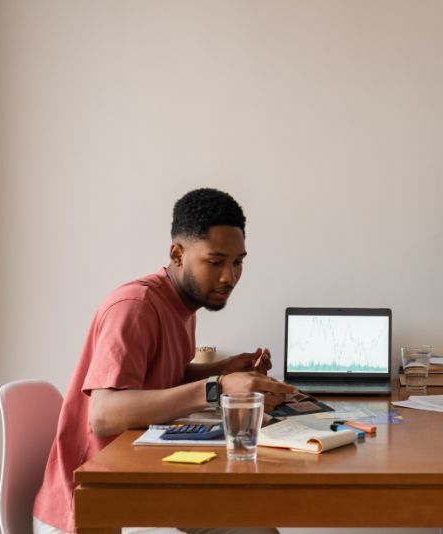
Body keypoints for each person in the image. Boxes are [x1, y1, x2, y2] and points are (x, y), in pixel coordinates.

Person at [33, 188, 296, 534]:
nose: (230, 276)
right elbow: (104, 414)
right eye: (216, 261)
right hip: (88, 504)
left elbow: (159, 378)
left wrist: (222, 368)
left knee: (256, 527)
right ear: (177, 253)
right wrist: (216, 388)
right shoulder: (135, 306)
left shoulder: (183, 305)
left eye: (238, 262)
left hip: (140, 480)